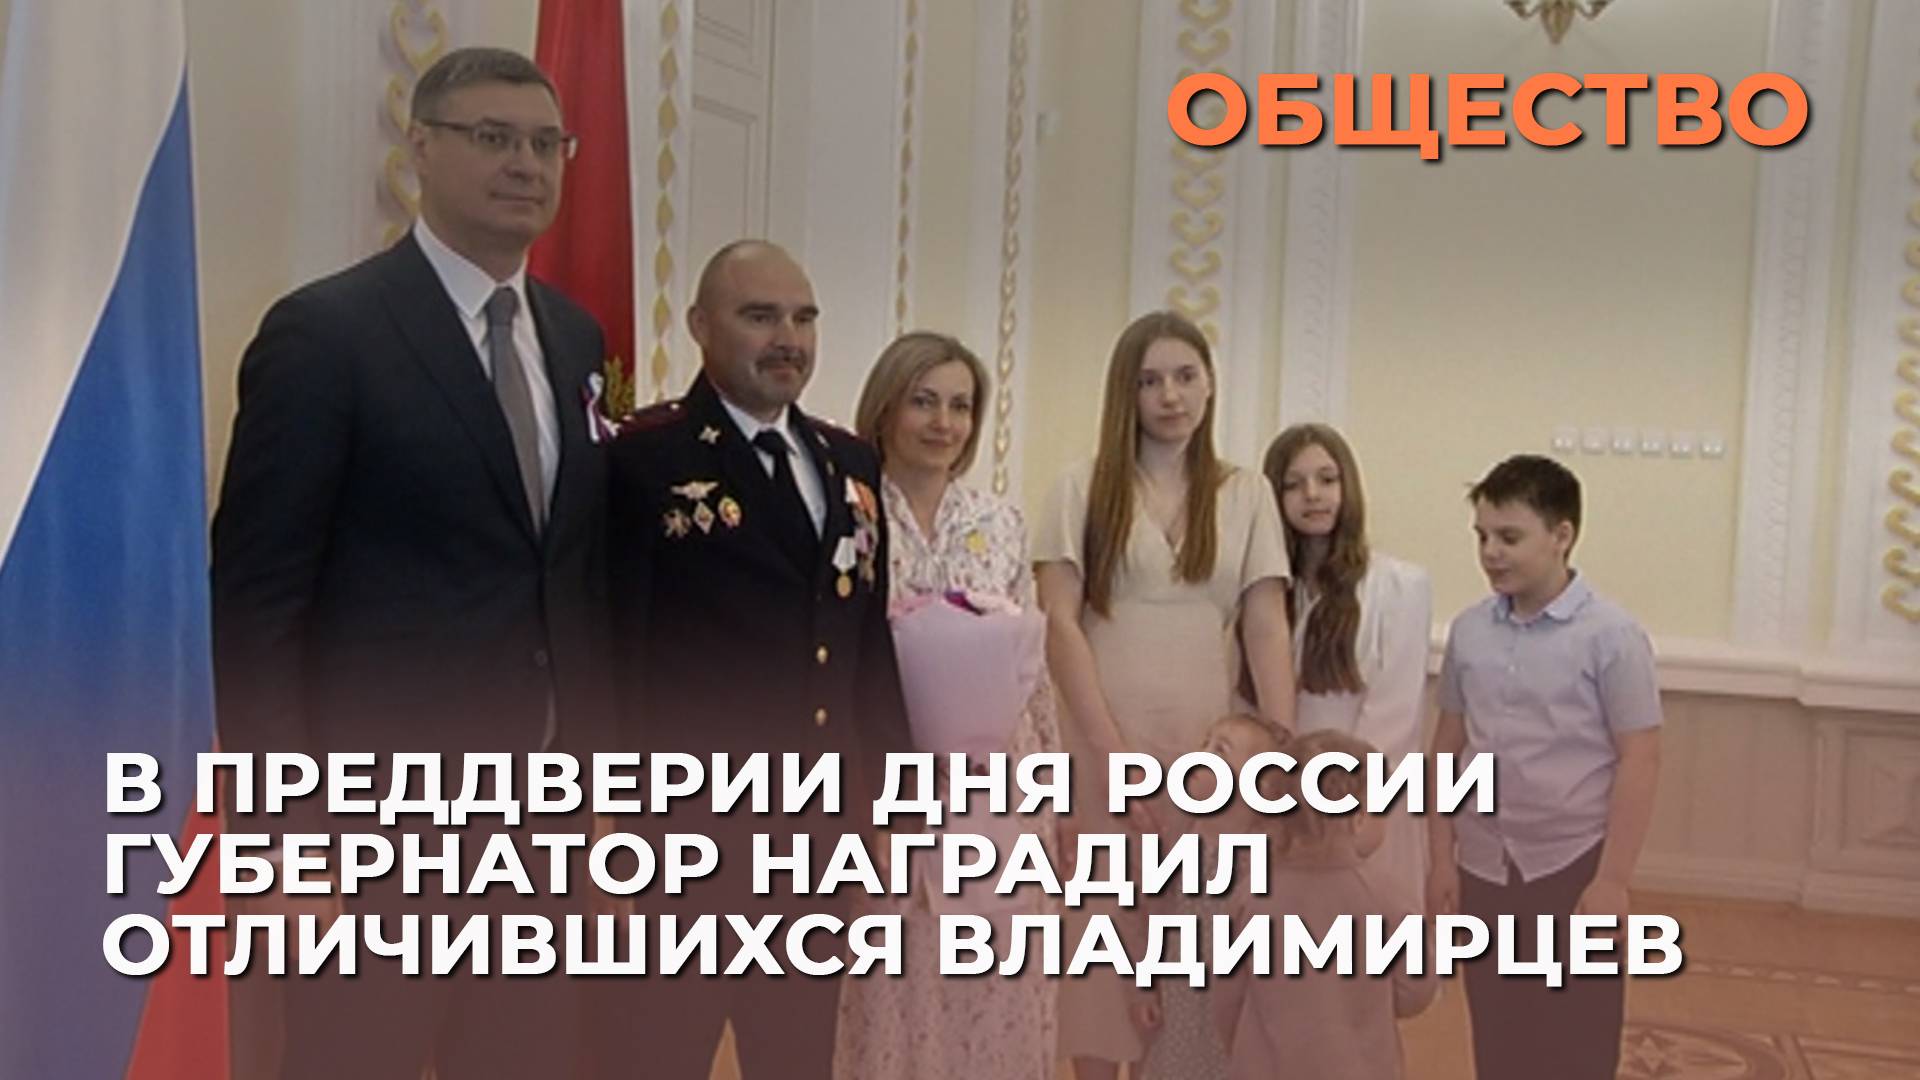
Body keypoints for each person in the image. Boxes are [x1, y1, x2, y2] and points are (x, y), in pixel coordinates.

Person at [210, 46, 610, 1080]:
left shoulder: (574, 339)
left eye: (546, 144)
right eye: (493, 138)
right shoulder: (325, 333)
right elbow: (256, 603)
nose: (525, 164)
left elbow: (567, 576)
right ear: (422, 148)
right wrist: (282, 832)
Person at [598, 240, 910, 1080]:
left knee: (797, 1057)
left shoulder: (850, 462)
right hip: (686, 843)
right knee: (657, 1058)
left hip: (816, 845)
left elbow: (866, 648)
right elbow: (611, 650)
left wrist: (895, 807)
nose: (789, 339)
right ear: (701, 325)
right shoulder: (643, 459)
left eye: (804, 318)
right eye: (761, 316)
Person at [1033, 310, 1296, 1080]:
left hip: (1207, 748)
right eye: (1150, 381)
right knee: (1099, 938)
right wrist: (1111, 755)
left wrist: (1282, 751)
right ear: (1127, 393)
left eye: (1185, 376)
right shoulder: (1080, 486)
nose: (1170, 396)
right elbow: (1058, 622)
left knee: (1187, 946)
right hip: (1099, 742)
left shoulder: (1246, 493)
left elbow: (1267, 624)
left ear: (1210, 384)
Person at [831, 330, 1060, 1080]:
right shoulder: (847, 514)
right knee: (900, 971)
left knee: (992, 976)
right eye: (924, 402)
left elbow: (1032, 665)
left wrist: (1049, 788)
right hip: (893, 776)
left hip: (996, 782)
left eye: (960, 406)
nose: (943, 422)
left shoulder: (1000, 520)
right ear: (885, 408)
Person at [1427, 454, 1663, 1080]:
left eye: (1509, 537)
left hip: (1572, 867)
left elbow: (1640, 758)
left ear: (1562, 535)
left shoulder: (1613, 637)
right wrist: (1440, 859)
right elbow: (1446, 748)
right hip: (1483, 867)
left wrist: (1613, 881)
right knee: (1499, 1036)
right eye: (1481, 536)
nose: (1490, 553)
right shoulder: (1469, 632)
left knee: (1576, 1045)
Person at [1260, 423, 1431, 913]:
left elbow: (1393, 714)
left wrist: (1343, 800)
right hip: (1283, 799)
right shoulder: (1268, 591)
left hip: (1363, 801)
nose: (1313, 495)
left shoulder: (1399, 585)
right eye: (1293, 484)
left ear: (1348, 486)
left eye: (1327, 479)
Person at [1217, 729, 1436, 1080]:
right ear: (1358, 819)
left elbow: (1227, 996)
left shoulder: (1251, 897)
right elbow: (1417, 991)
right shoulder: (1389, 899)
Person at [1132, 713, 1284, 1080]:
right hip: (1180, 1002)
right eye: (1205, 743)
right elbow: (1157, 915)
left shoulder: (1264, 861)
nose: (1201, 755)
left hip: (1235, 1013)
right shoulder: (1183, 838)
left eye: (1221, 751)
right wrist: (1146, 985)